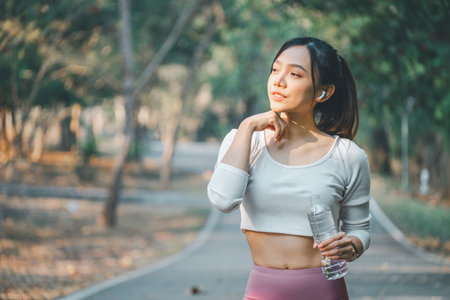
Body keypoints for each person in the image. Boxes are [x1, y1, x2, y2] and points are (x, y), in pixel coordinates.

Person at [207, 36, 371, 300]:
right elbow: (223, 200)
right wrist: (248, 126)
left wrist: (352, 246)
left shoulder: (347, 155)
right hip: (261, 291)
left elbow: (359, 230)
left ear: (323, 92)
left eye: (295, 74)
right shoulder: (244, 140)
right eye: (275, 69)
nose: (278, 80)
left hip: (324, 291)